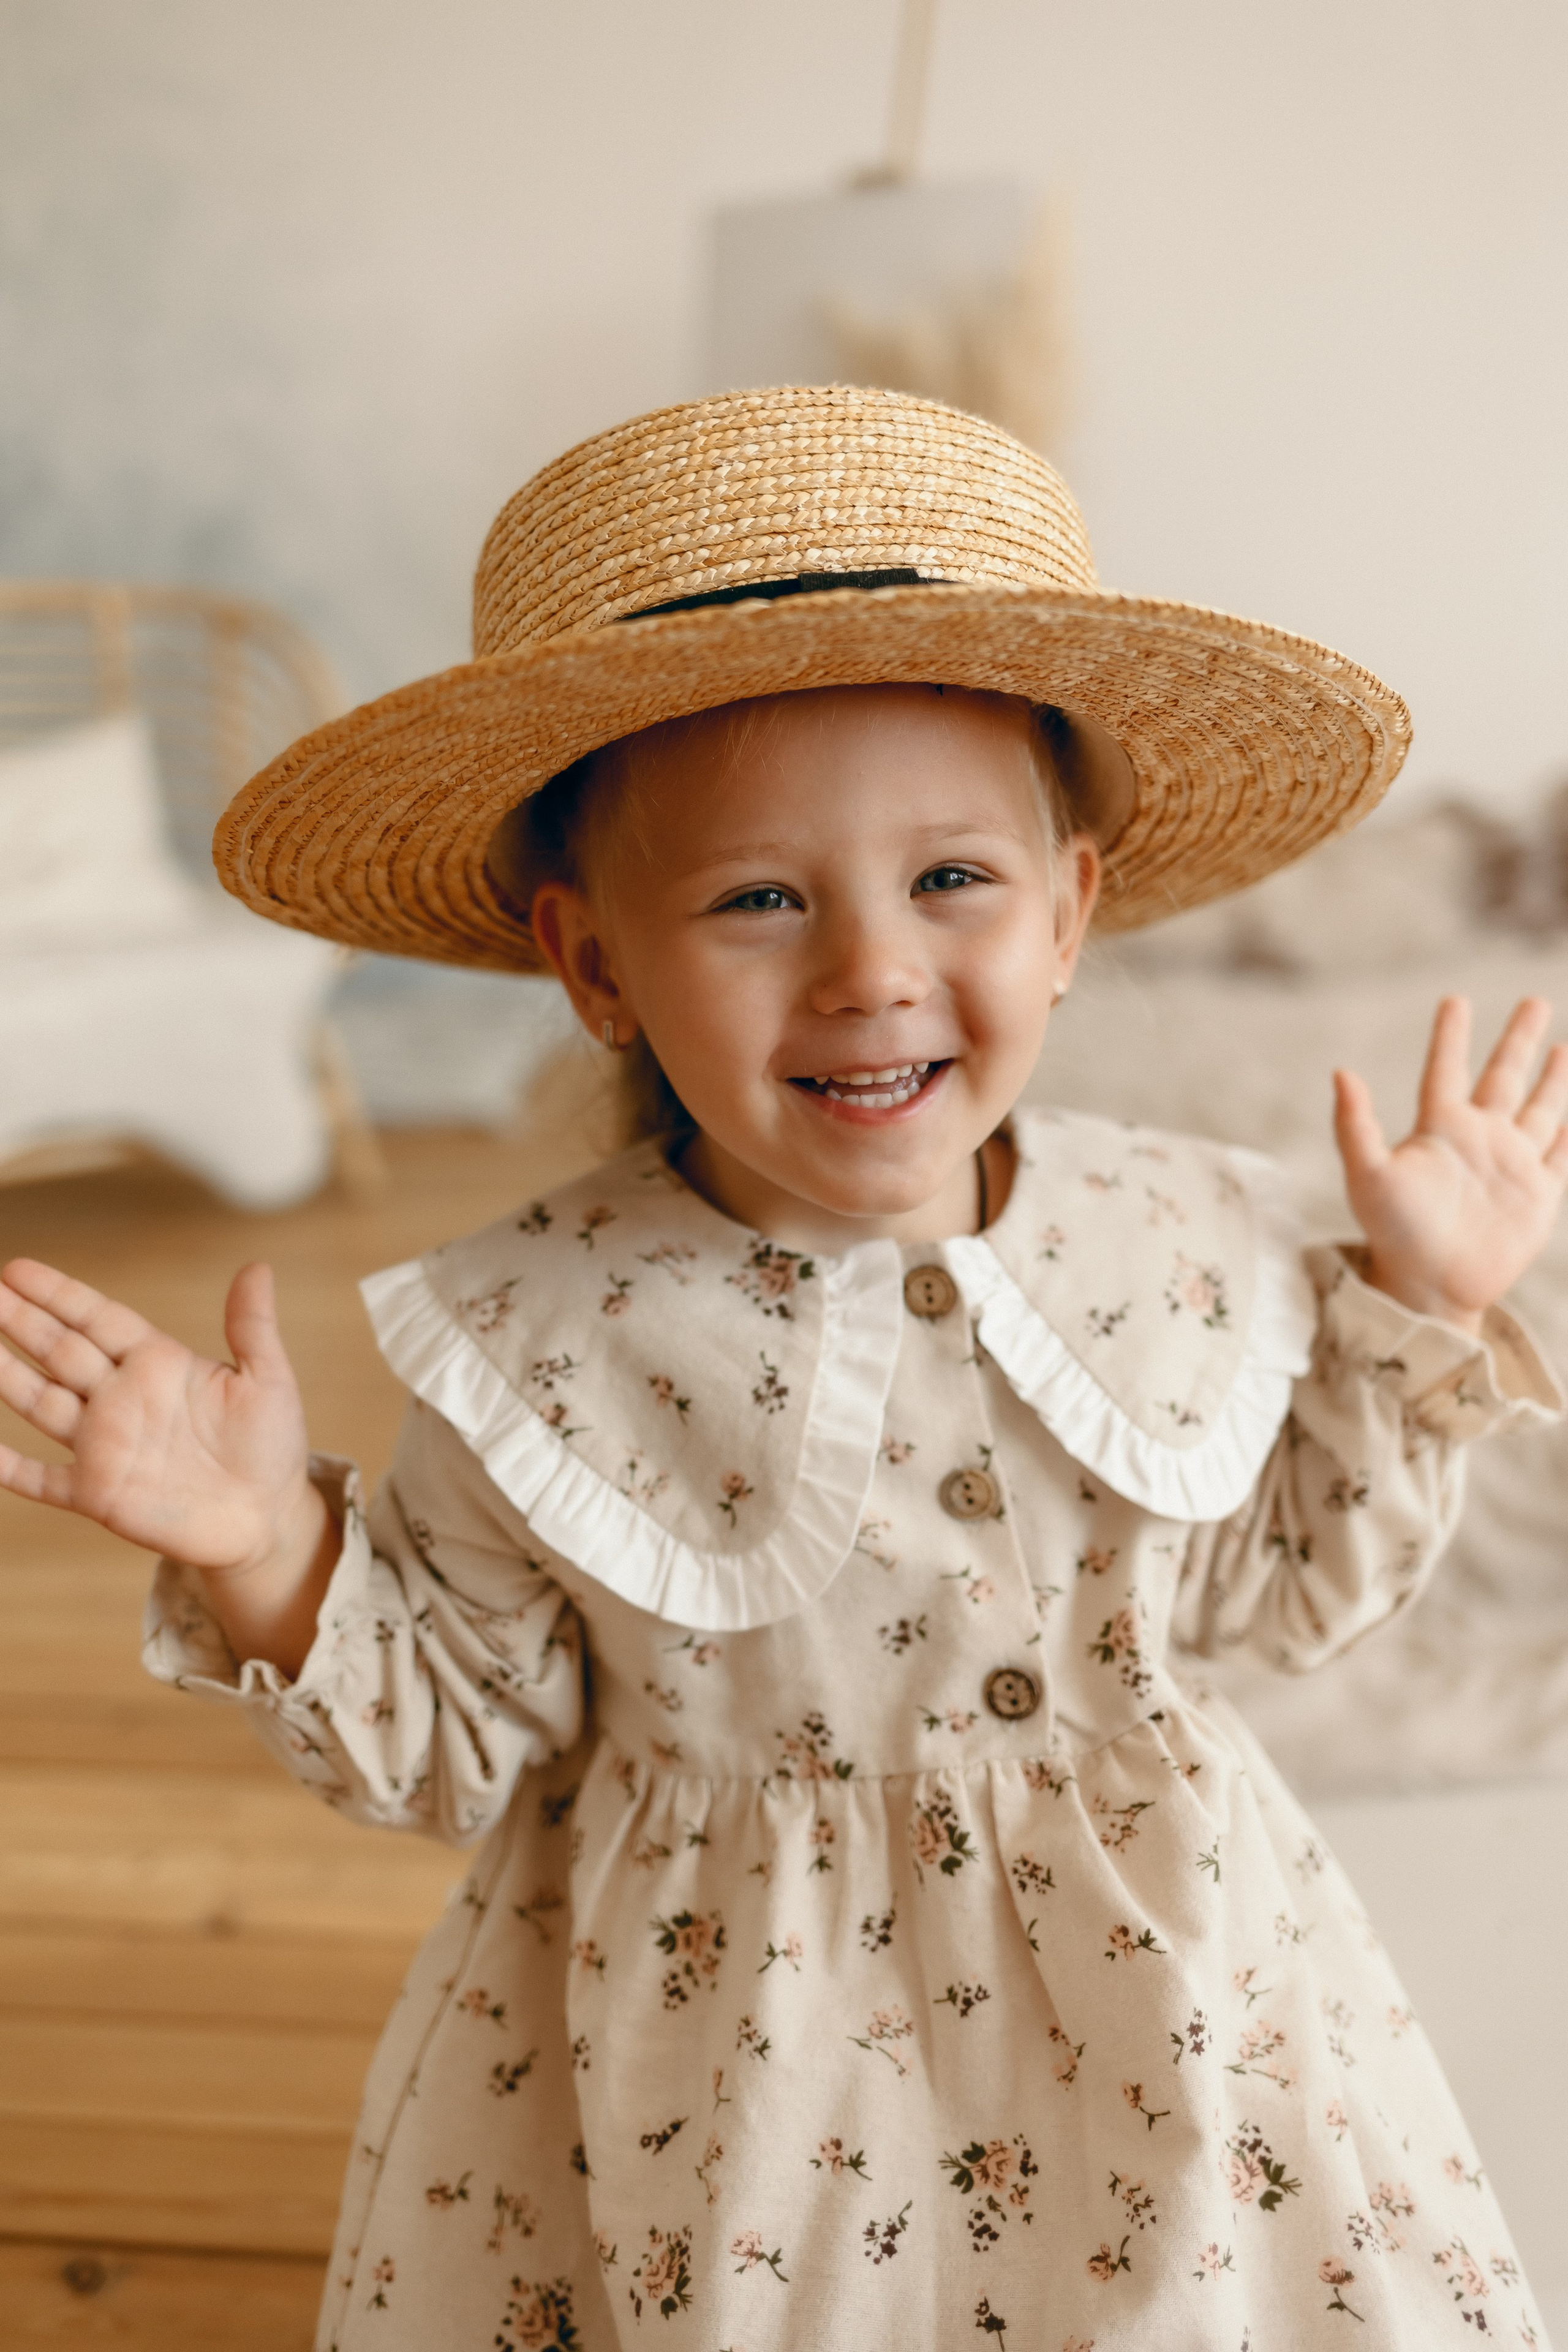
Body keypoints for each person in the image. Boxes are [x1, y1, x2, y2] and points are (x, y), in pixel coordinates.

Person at [1, 386, 1563, 2350]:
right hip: (736, 2077)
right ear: (593, 964)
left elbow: (1283, 1590)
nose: (870, 972)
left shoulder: (1177, 1240)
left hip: (1173, 2001)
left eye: (954, 881)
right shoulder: (549, 1335)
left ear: (1073, 907)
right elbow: (454, 1734)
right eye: (757, 899)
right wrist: (258, 1548)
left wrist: (1409, 1316)